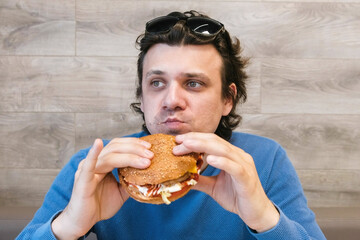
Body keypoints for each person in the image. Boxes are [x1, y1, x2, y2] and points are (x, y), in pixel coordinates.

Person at [17, 10, 326, 239]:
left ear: (227, 99)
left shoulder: (263, 160)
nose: (171, 100)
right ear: (142, 93)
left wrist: (264, 219)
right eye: (156, 82)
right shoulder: (95, 168)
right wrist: (70, 225)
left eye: (193, 83)